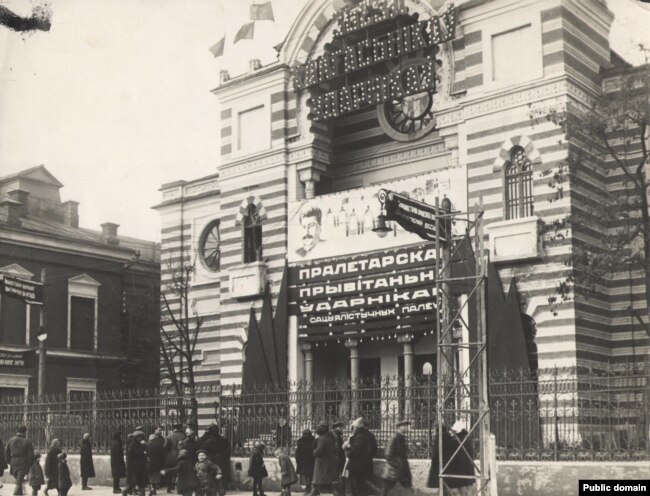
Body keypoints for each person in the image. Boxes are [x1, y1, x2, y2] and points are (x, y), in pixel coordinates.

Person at [427, 420, 476, 496]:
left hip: (458, 469)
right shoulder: (467, 440)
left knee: (455, 491)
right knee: (465, 491)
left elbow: (438, 453)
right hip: (468, 469)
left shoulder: (455, 440)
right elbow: (473, 454)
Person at [197, 422, 231, 492]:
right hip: (221, 459)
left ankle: (214, 489)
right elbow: (228, 451)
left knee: (211, 475)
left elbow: (201, 448)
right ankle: (221, 489)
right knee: (220, 474)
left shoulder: (207, 441)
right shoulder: (223, 439)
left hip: (211, 459)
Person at [380, 421, 412, 496]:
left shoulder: (401, 437)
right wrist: (397, 464)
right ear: (399, 427)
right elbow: (388, 454)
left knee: (407, 485)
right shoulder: (395, 437)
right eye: (405, 426)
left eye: (407, 426)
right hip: (393, 470)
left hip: (401, 469)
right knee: (386, 488)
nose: (407, 428)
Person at [345, 418, 375, 496]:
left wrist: (348, 449)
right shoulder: (367, 435)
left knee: (355, 486)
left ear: (357, 427)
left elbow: (353, 451)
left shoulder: (359, 436)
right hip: (364, 465)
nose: (352, 429)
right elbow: (374, 450)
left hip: (356, 466)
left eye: (353, 427)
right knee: (361, 486)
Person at [5, 425, 34, 496]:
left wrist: (9, 461)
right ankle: (15, 494)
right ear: (25, 432)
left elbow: (6, 452)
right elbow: (30, 455)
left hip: (13, 462)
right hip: (23, 463)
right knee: (19, 481)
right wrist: (30, 464)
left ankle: (20, 494)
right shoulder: (27, 441)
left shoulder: (11, 440)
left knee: (19, 480)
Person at [311, 424, 337, 496]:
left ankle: (314, 492)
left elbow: (319, 450)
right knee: (327, 481)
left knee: (317, 479)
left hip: (321, 462)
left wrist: (314, 451)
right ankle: (314, 491)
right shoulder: (330, 437)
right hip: (329, 461)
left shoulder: (322, 438)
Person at [123, 431, 148, 496]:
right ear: (137, 437)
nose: (141, 438)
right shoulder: (134, 445)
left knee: (137, 483)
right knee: (137, 483)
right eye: (140, 437)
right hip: (136, 467)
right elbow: (137, 454)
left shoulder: (136, 444)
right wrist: (144, 447)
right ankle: (126, 491)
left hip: (138, 467)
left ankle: (126, 492)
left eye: (141, 437)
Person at [164, 424, 186, 493]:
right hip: (180, 455)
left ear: (173, 429)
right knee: (180, 472)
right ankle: (180, 488)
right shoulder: (183, 436)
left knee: (170, 472)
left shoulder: (169, 436)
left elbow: (165, 447)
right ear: (179, 428)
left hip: (170, 457)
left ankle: (169, 487)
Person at [295, 430, 315, 494]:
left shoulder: (300, 441)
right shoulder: (313, 441)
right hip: (311, 461)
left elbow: (297, 453)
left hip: (303, 462)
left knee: (305, 477)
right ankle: (313, 490)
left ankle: (307, 489)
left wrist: (298, 461)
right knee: (311, 476)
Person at [148, 428, 166, 496]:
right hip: (158, 462)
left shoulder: (148, 444)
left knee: (151, 476)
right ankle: (154, 489)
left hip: (150, 463)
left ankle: (152, 489)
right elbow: (162, 453)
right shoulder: (159, 443)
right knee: (156, 476)